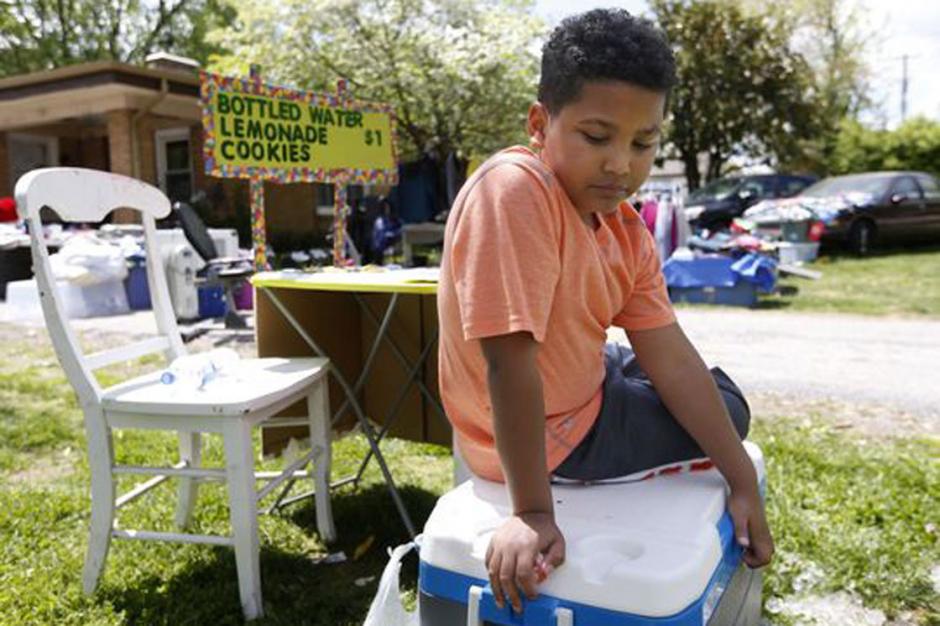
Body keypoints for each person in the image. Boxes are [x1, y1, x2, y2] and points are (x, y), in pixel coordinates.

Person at [436, 7, 774, 615]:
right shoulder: (516, 191)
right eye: (597, 137)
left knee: (688, 382)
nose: (621, 163)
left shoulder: (625, 231)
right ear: (540, 123)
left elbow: (669, 354)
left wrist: (742, 483)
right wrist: (533, 513)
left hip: (584, 382)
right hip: (557, 439)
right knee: (730, 407)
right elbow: (509, 364)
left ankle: (626, 386)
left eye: (643, 143)